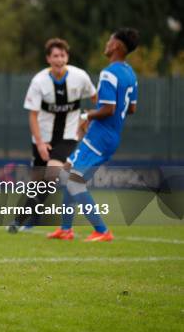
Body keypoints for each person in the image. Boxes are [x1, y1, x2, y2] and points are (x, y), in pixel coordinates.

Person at [47, 28, 139, 242]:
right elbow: (131, 108)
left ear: (116, 45)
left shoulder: (110, 73)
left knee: (74, 181)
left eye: (109, 40)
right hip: (110, 136)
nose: (106, 44)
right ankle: (66, 229)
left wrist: (87, 115)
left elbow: (108, 108)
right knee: (69, 172)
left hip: (100, 136)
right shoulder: (130, 74)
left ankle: (102, 230)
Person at [8, 38, 96, 233]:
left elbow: (96, 98)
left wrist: (86, 118)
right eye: (55, 56)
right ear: (48, 59)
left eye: (63, 55)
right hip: (42, 138)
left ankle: (19, 220)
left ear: (67, 57)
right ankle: (31, 219)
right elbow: (32, 115)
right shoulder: (39, 81)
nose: (59, 59)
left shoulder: (80, 77)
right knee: (38, 182)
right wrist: (40, 143)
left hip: (68, 136)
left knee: (51, 175)